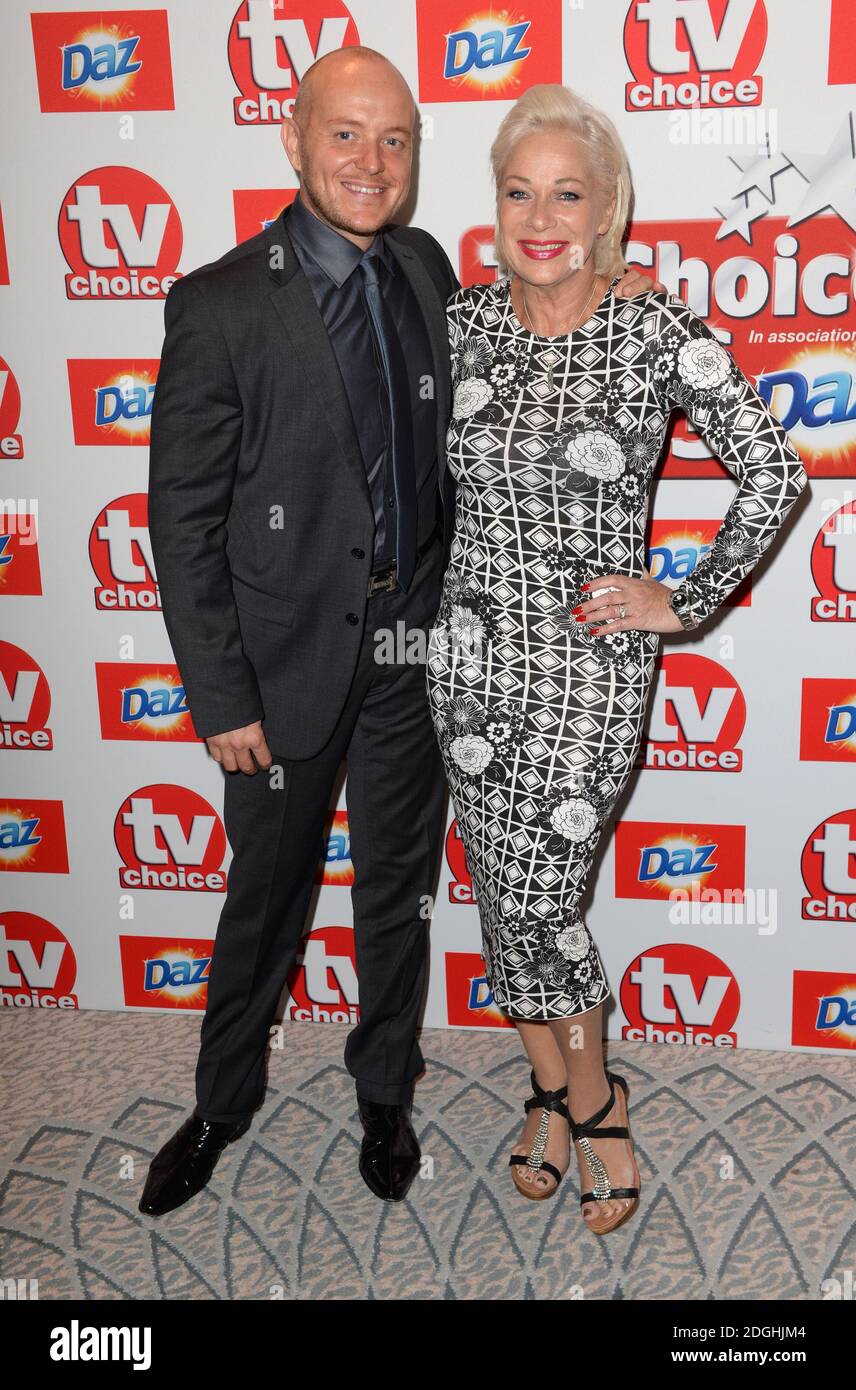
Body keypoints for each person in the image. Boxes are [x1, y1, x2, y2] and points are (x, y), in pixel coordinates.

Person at [142, 48, 656, 1218]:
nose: (371, 163)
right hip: (277, 673)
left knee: (396, 891)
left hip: (422, 654)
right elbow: (183, 518)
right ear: (293, 137)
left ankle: (385, 1088)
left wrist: (615, 281)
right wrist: (221, 696)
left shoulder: (428, 271)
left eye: (396, 141)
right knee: (263, 899)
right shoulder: (220, 302)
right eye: (345, 134)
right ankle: (223, 1099)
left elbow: (543, 314)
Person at [426, 84, 808, 1235]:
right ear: (494, 204)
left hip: (591, 672)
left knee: (545, 904)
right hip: (467, 663)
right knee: (504, 903)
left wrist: (680, 600)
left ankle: (596, 1099)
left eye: (567, 195)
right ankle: (548, 1084)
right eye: (517, 191)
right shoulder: (459, 324)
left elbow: (774, 474)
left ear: (605, 214)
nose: (540, 217)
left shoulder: (657, 331)